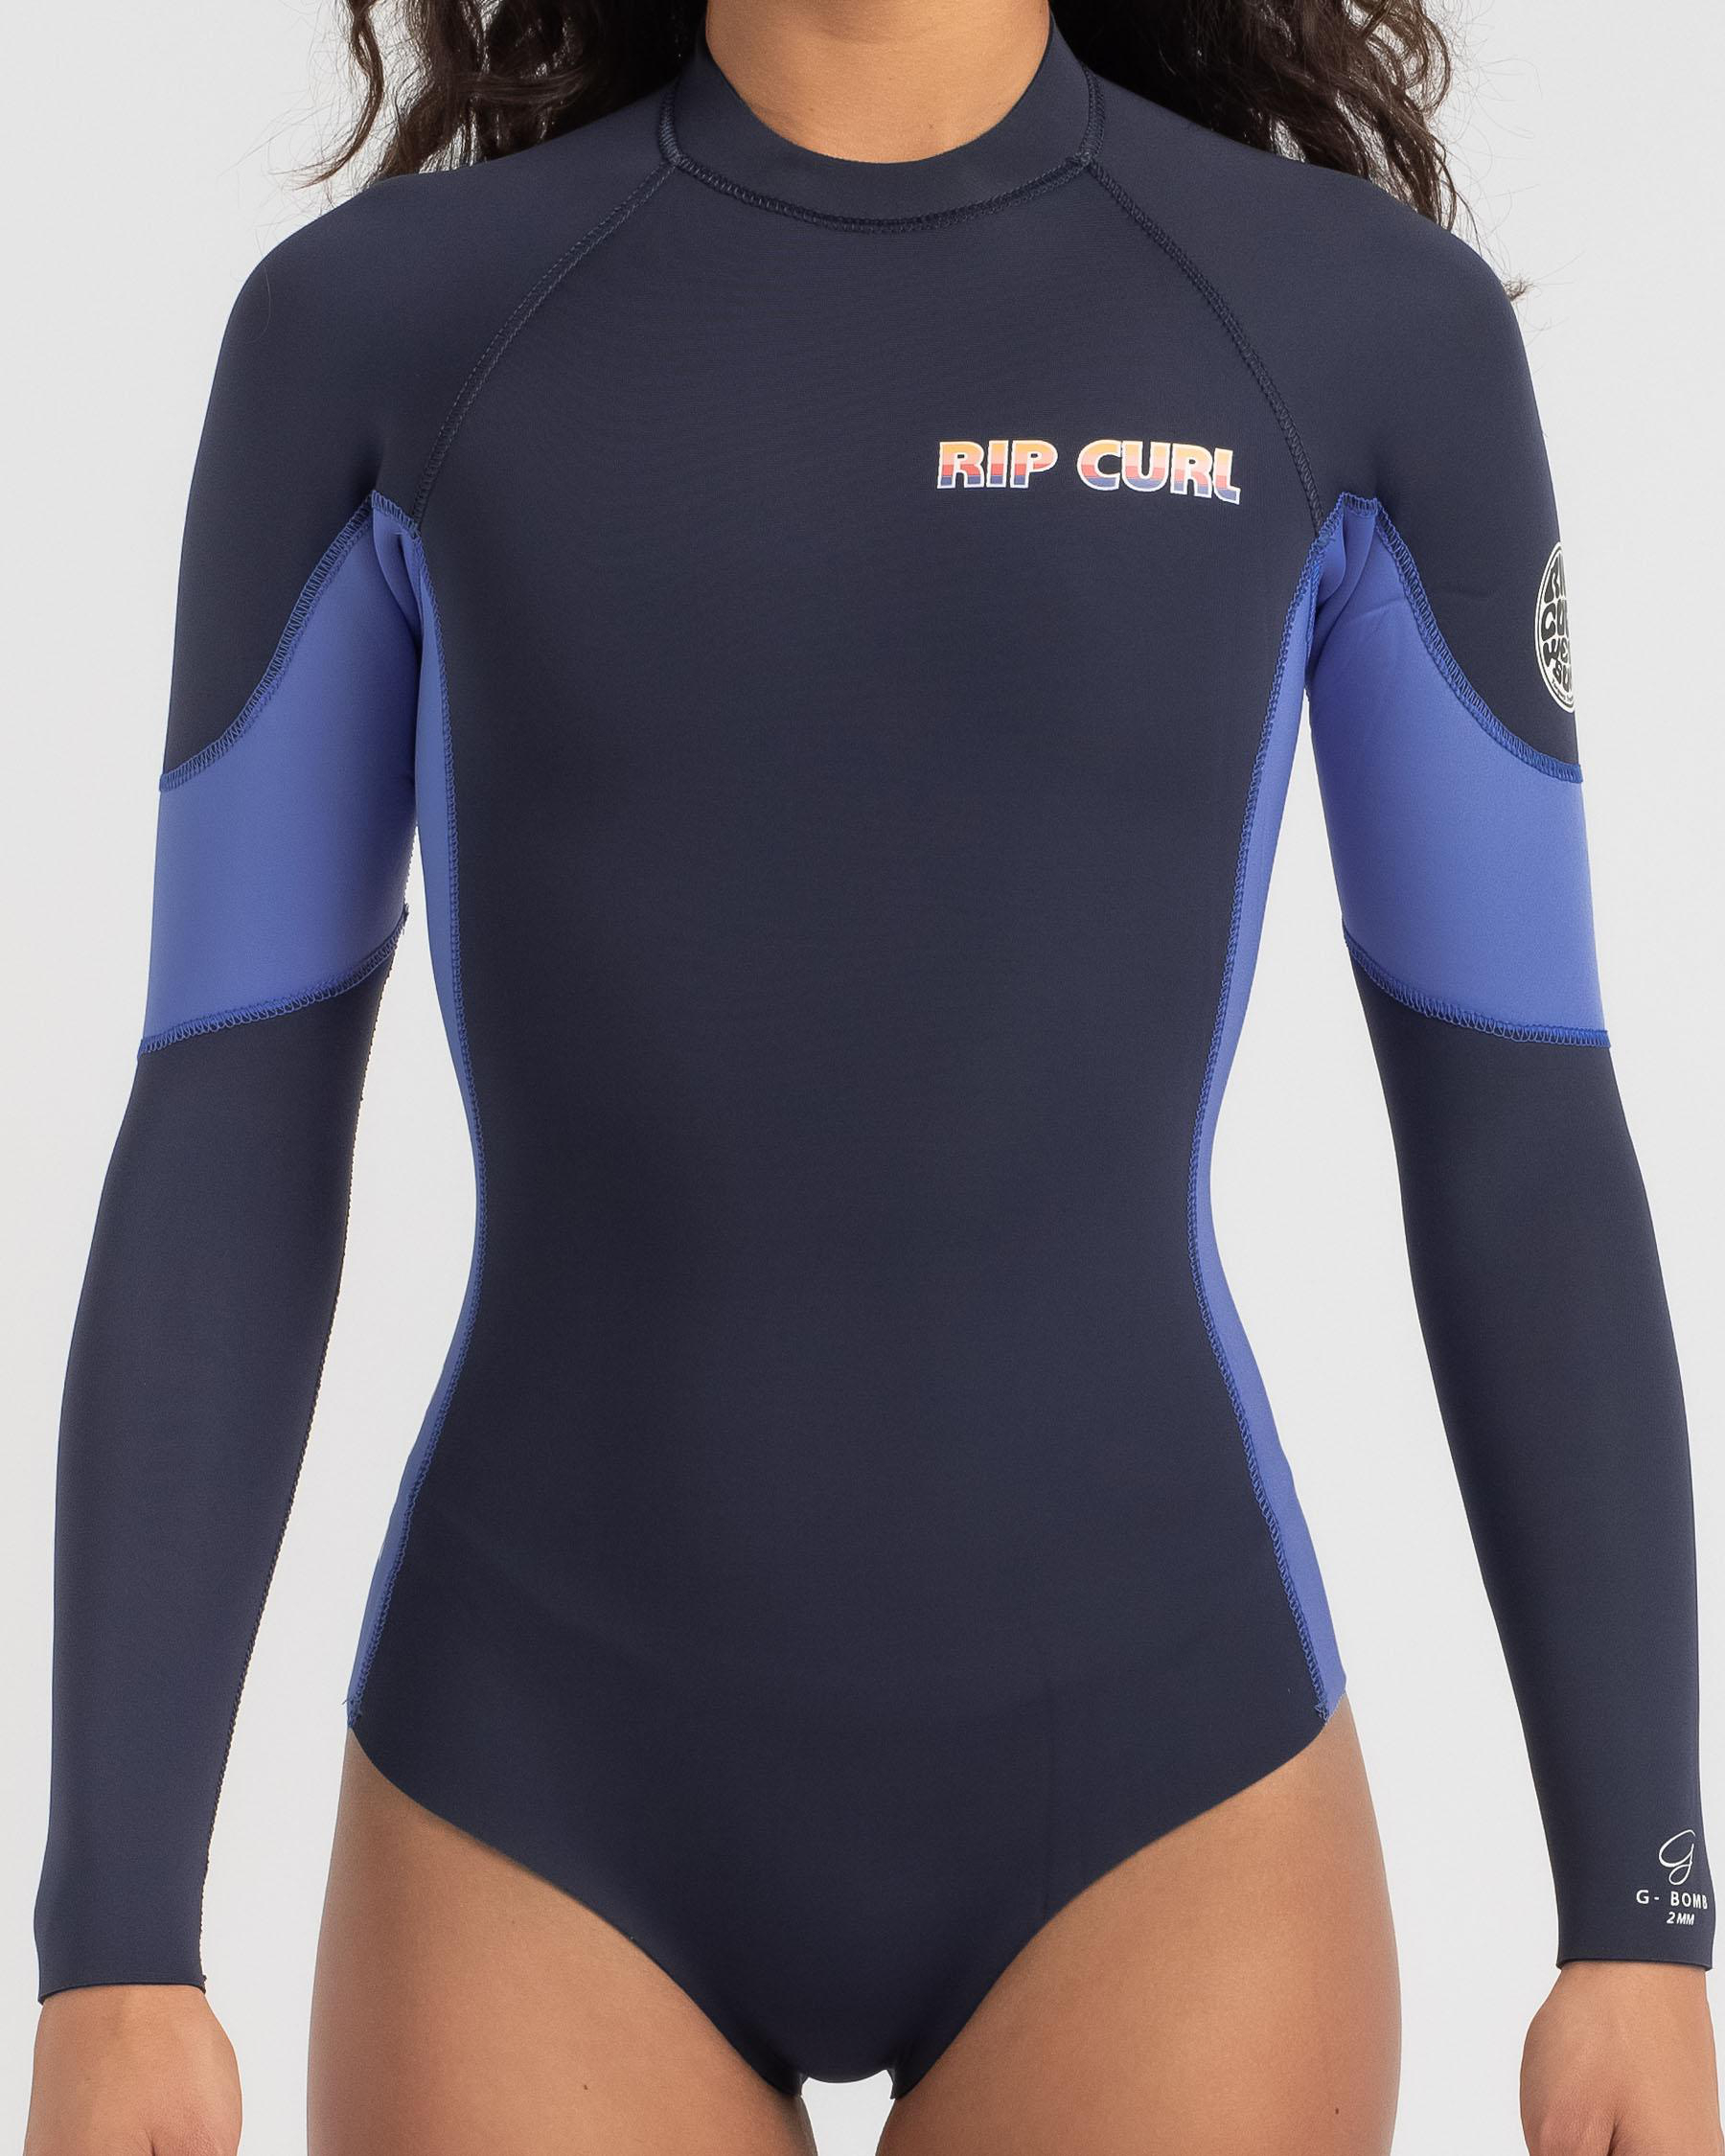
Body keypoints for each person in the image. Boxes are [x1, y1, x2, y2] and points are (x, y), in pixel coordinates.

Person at [23, 1, 1722, 2150]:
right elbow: (229, 1112)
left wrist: (1645, 1914)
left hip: (1168, 1806)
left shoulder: (1355, 329)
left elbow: (1520, 1126)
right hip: (530, 1799)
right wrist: (115, 1942)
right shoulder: (382, 333)